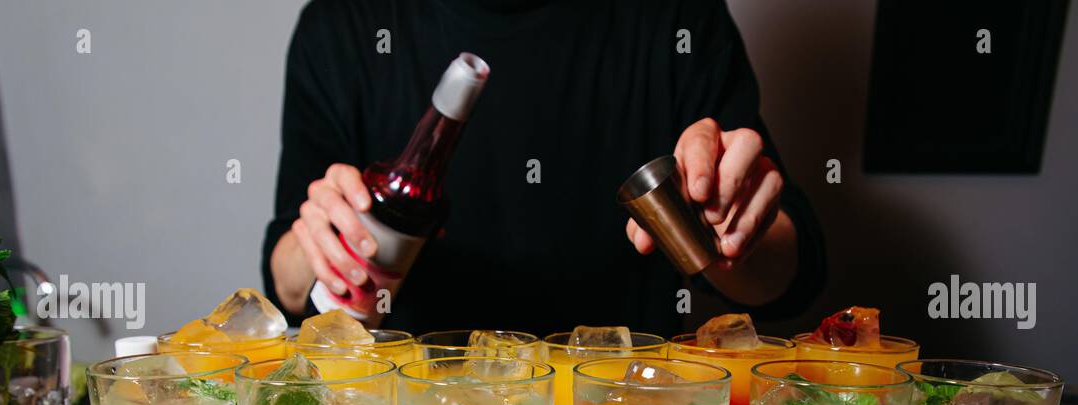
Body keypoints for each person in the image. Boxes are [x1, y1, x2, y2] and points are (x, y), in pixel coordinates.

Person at [263, 0, 825, 336]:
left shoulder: (676, 18)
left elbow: (790, 283)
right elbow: (284, 281)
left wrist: (735, 232)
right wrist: (317, 246)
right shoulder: (342, 25)